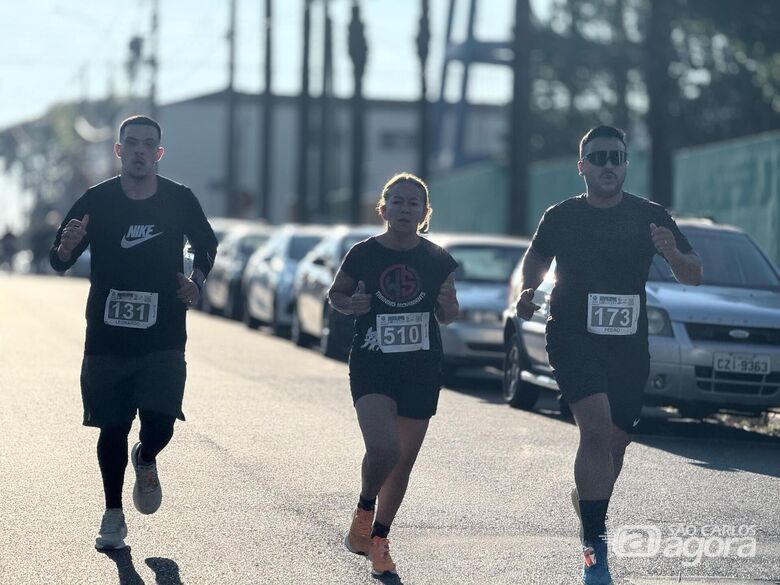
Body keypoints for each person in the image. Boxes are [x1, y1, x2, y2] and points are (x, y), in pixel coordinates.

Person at [515, 126, 702, 585]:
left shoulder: (651, 215)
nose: (607, 165)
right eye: (597, 158)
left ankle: (589, 501)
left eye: (615, 157)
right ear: (582, 167)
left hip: (627, 343)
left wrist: (673, 252)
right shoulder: (561, 215)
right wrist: (528, 288)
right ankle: (594, 545)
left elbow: (693, 275)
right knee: (596, 433)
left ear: (624, 164)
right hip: (573, 335)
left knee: (615, 445)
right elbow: (536, 258)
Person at [50, 115, 218, 551]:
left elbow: (208, 244)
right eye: (132, 144)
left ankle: (146, 457)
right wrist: (66, 248)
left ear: (159, 154)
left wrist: (196, 281)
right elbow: (60, 256)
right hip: (107, 334)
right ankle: (112, 515)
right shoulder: (98, 200)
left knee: (160, 424)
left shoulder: (179, 200)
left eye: (149, 144)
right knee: (113, 424)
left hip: (163, 333)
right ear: (119, 151)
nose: (140, 151)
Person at [328, 172, 459, 579]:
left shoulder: (438, 258)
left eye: (413, 203)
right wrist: (352, 304)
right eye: (397, 202)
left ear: (425, 213)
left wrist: (447, 305)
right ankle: (365, 508)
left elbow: (451, 313)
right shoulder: (363, 254)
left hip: (421, 368)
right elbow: (336, 295)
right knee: (384, 449)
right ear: (383, 209)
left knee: (402, 464)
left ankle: (380, 540)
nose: (405, 209)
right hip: (373, 364)